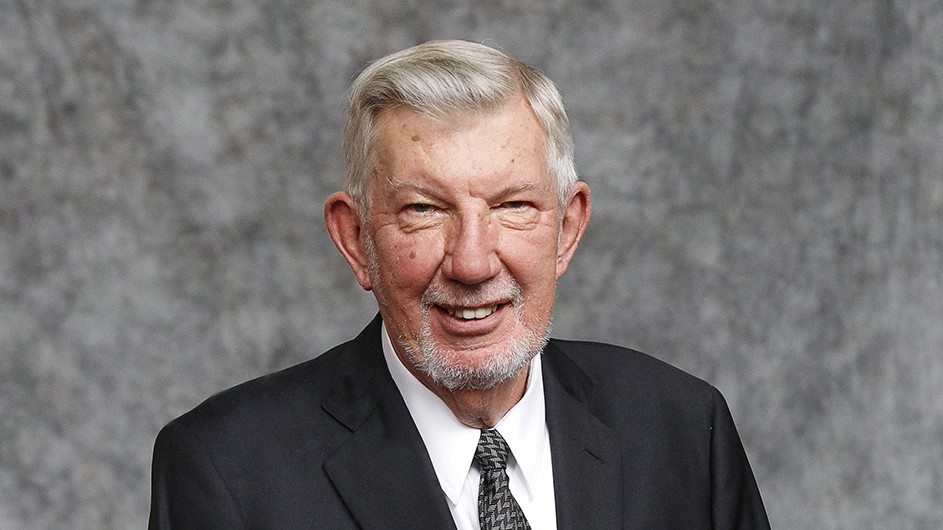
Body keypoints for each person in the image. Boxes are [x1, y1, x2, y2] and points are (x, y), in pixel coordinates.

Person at [149, 40, 770, 529]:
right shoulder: (227, 470)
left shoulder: (684, 430)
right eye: (424, 210)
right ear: (355, 240)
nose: (472, 264)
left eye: (513, 206)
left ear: (567, 230)